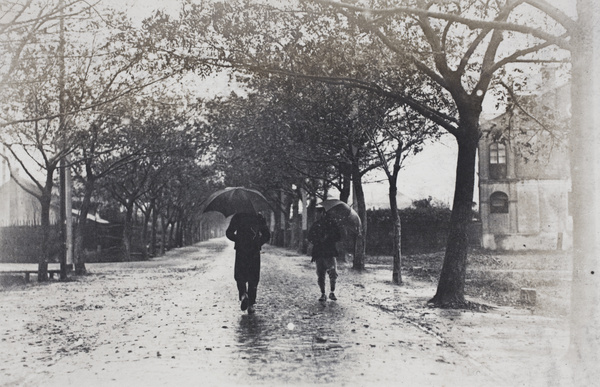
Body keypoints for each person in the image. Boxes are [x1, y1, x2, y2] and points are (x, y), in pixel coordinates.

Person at [226, 212, 271, 314]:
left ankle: (243, 295)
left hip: (241, 251)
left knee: (240, 275)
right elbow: (267, 235)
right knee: (253, 277)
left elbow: (229, 233)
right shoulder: (258, 217)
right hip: (254, 251)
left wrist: (238, 239)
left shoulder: (237, 216)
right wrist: (258, 242)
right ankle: (251, 304)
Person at [307, 206, 341, 302]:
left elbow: (338, 236)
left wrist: (329, 237)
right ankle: (322, 293)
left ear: (323, 213)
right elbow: (310, 237)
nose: (317, 215)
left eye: (318, 213)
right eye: (316, 213)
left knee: (333, 272)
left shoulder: (332, 224)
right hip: (318, 252)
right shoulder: (315, 225)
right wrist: (318, 239)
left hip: (329, 251)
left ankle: (332, 292)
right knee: (320, 274)